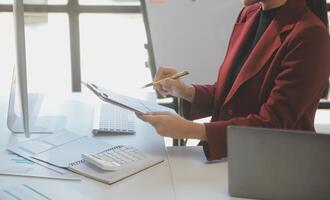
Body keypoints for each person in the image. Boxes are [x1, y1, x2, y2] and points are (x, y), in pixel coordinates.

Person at [138, 0, 330, 161]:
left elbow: (273, 125)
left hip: (273, 166)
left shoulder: (310, 34)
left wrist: (193, 130)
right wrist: (183, 90)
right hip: (232, 158)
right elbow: (230, 94)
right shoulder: (248, 14)